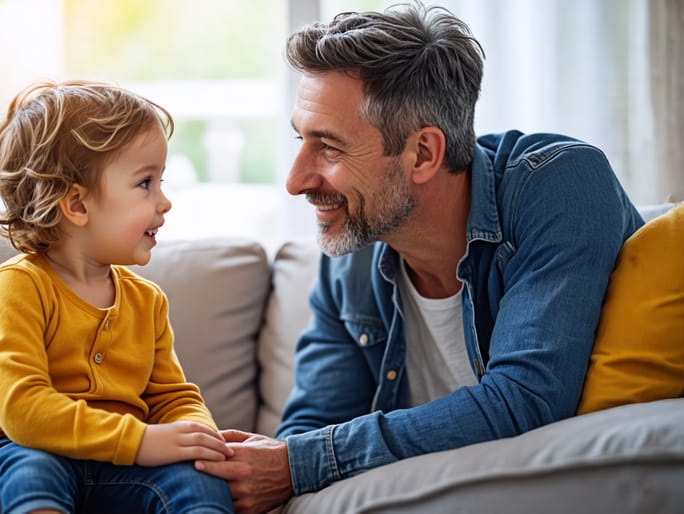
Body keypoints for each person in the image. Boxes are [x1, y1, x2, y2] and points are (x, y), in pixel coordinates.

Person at [195, 3, 644, 513]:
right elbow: (307, 431)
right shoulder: (352, 248)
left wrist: (299, 463)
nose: (296, 181)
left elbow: (526, 399)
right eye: (301, 139)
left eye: (330, 148)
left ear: (424, 154)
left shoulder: (558, 185)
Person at [0, 79, 235, 514]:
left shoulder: (146, 300)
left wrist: (196, 436)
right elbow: (24, 410)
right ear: (77, 205)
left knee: (198, 481)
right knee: (35, 469)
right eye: (145, 183)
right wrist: (139, 441)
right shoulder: (16, 288)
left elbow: (172, 396)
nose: (165, 202)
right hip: (16, 446)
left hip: (115, 460)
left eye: (160, 181)